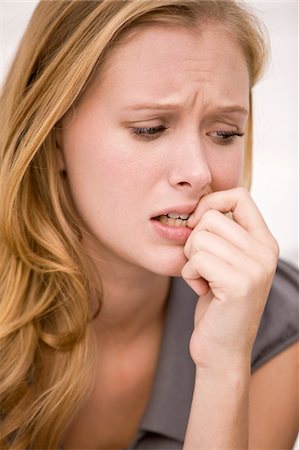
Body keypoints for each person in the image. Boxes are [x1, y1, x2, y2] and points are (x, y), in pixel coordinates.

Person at [0, 0, 298, 449]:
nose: (197, 172)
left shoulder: (275, 322)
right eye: (150, 128)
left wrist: (223, 367)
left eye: (224, 133)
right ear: (52, 135)